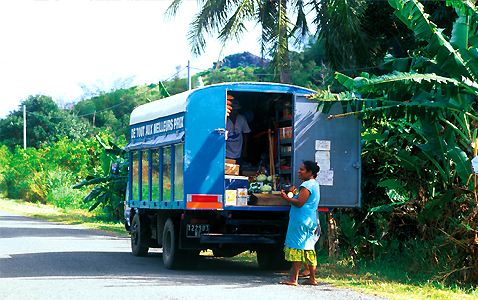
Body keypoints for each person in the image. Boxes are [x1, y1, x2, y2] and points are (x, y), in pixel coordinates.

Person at [279, 161, 320, 286]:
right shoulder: (314, 184)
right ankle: (312, 279)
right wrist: (296, 192)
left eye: (302, 169)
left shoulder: (307, 185)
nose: (299, 171)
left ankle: (293, 279)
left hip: (300, 221)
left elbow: (300, 202)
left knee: (297, 248)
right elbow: (303, 199)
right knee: (308, 249)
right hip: (309, 220)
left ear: (310, 172)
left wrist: (285, 197)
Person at [226, 96, 250, 166]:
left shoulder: (241, 119)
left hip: (238, 152)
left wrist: (245, 149)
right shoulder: (224, 120)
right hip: (226, 152)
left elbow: (246, 133)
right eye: (233, 110)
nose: (235, 112)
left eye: (237, 110)